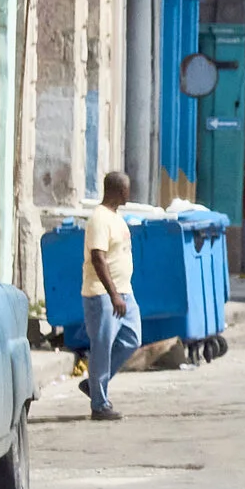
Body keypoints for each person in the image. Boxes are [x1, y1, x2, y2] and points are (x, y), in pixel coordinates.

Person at [80, 170, 139, 422]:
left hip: (125, 291)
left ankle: (94, 385)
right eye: (127, 189)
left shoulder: (116, 217)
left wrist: (122, 292)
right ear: (117, 191)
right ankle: (99, 404)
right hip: (102, 295)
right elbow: (98, 257)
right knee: (102, 347)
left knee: (131, 339)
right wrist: (113, 294)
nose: (129, 193)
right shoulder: (99, 219)